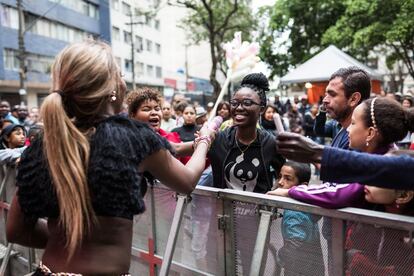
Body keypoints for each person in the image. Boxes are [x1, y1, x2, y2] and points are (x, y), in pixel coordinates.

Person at [6, 41, 214, 275]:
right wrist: (204, 141)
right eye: (120, 74)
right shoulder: (133, 138)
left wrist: (69, 240)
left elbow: (16, 231)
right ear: (112, 88)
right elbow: (187, 181)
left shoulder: (42, 145)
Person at [208, 73, 285, 193]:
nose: (239, 108)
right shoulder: (218, 139)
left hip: (259, 211)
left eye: (247, 103)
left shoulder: (271, 143)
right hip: (222, 210)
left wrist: (271, 195)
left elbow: (285, 174)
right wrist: (203, 139)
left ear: (262, 109)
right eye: (234, 103)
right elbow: (180, 150)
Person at [275, 161, 324, 276]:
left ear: (302, 186)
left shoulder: (293, 211)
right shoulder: (306, 205)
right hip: (314, 268)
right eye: (280, 177)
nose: (280, 182)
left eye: (288, 178)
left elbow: (295, 242)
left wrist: (280, 257)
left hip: (297, 269)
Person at [314, 66, 371, 149]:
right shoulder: (340, 124)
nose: (324, 100)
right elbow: (319, 131)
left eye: (332, 94)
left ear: (353, 99)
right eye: (326, 94)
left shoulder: (359, 140)